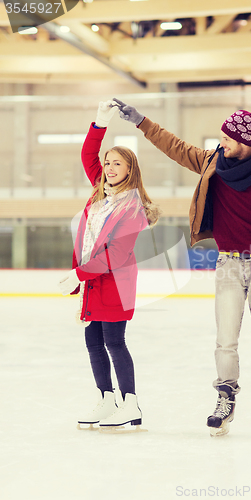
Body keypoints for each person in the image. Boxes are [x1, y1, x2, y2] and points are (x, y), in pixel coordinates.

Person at [114, 99, 251, 438]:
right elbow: (174, 147)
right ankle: (225, 396)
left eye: (227, 139)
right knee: (225, 340)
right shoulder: (212, 163)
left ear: (245, 143)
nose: (221, 143)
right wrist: (142, 122)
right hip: (229, 264)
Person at [58, 101, 160, 432]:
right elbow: (89, 155)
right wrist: (101, 122)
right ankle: (106, 399)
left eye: (118, 163)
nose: (109, 167)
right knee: (92, 342)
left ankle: (130, 403)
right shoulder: (100, 194)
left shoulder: (132, 208)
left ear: (130, 169)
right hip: (93, 283)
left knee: (114, 342)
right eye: (107, 162)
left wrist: (77, 274)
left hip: (114, 283)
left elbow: (115, 255)